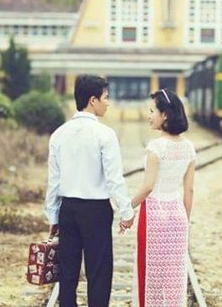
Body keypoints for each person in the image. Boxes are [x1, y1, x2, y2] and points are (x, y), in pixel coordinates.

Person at [45, 75, 135, 307]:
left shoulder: (59, 134)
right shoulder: (104, 135)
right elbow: (115, 179)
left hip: (68, 210)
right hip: (96, 211)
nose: (108, 102)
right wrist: (126, 212)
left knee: (67, 272)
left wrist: (53, 216)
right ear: (92, 100)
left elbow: (53, 182)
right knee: (99, 271)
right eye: (105, 98)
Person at [127, 88, 196, 307]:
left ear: (164, 114)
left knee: (150, 274)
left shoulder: (156, 147)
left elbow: (148, 187)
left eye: (151, 111)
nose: (149, 116)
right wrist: (185, 220)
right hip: (177, 215)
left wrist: (126, 208)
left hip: (154, 217)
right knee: (174, 277)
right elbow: (189, 190)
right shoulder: (189, 148)